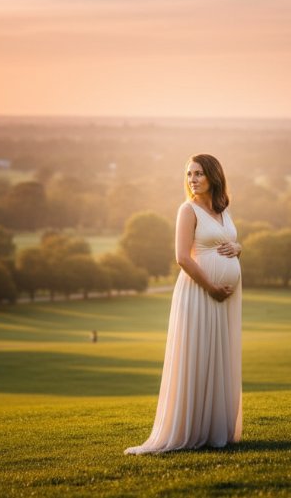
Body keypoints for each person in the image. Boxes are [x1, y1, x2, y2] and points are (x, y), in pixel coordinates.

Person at [125, 154, 243, 455]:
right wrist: (212, 287)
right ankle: (190, 430)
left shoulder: (222, 210)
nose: (193, 179)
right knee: (198, 353)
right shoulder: (187, 210)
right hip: (200, 293)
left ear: (214, 177)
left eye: (199, 173)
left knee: (219, 356)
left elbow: (228, 242)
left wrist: (238, 247)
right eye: (189, 174)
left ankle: (215, 428)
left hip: (224, 298)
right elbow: (182, 257)